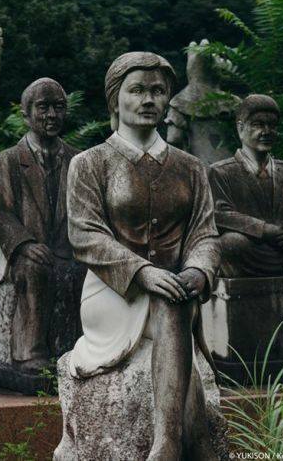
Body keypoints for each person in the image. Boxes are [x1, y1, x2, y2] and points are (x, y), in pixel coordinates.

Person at [66, 52, 220, 460]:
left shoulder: (190, 168)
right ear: (115, 99)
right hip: (113, 292)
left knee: (174, 301)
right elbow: (85, 235)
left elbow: (206, 233)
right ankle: (179, 442)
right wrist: (143, 273)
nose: (148, 98)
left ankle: (170, 444)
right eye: (137, 90)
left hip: (177, 290)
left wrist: (200, 272)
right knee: (171, 304)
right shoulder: (90, 163)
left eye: (158, 90)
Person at [0, 78, 84, 373]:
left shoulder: (79, 160)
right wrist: (26, 245)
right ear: (26, 114)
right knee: (33, 270)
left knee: (89, 272)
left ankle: (81, 350)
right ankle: (29, 352)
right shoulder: (7, 161)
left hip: (69, 251)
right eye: (43, 107)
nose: (51, 115)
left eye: (58, 107)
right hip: (23, 254)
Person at [209, 94, 283, 276]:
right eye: (258, 125)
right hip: (253, 246)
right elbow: (220, 215)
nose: (266, 132)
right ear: (241, 129)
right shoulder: (220, 172)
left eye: (272, 126)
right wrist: (265, 230)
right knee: (230, 244)